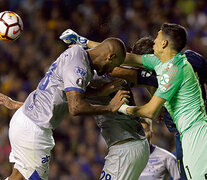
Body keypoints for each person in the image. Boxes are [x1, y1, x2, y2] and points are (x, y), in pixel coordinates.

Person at [59, 23, 207, 179]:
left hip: (195, 134)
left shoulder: (171, 71)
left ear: (164, 43)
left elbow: (150, 110)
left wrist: (119, 108)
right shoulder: (165, 63)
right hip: (189, 131)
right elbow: (125, 57)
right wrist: (84, 41)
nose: (154, 40)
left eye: (157, 37)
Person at [1, 37, 129, 180]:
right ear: (110, 57)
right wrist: (109, 108)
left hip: (26, 120)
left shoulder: (77, 53)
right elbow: (76, 107)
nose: (111, 71)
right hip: (34, 130)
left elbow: (61, 94)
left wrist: (99, 92)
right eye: (113, 66)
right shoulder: (78, 66)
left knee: (18, 177)